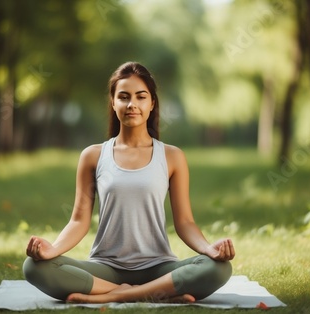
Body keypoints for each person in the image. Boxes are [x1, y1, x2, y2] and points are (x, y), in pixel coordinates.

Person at [23, 61, 235, 303]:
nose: (132, 104)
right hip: (106, 268)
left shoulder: (172, 156)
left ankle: (113, 296)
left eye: (140, 97)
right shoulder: (92, 156)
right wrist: (52, 250)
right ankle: (158, 294)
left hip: (159, 267)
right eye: (123, 97)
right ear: (113, 103)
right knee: (34, 266)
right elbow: (78, 221)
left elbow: (185, 222)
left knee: (219, 268)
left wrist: (209, 250)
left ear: (152, 103)